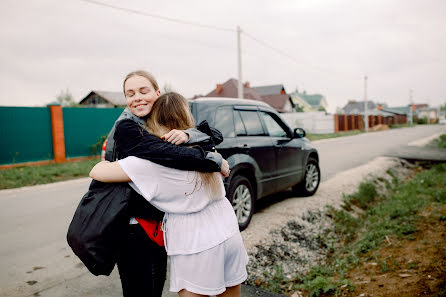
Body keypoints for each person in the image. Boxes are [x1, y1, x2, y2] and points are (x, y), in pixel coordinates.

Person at [90, 92, 248, 297]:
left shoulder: (149, 163)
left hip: (195, 242)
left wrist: (106, 162)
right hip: (228, 230)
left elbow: (97, 171)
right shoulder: (207, 148)